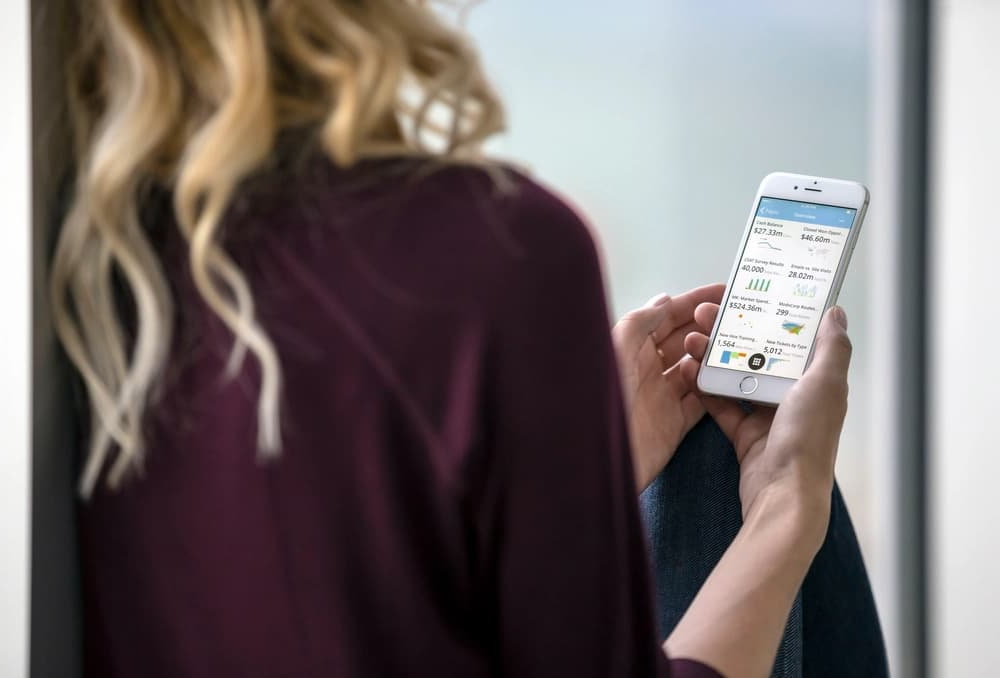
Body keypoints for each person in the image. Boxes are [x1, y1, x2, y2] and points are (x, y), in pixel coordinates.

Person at [49, 1, 881, 676]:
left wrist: (562, 480)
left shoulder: (78, 263)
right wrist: (785, 507)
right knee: (723, 456)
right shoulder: (502, 251)